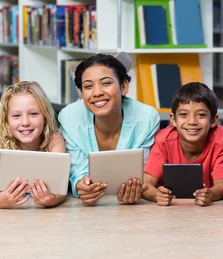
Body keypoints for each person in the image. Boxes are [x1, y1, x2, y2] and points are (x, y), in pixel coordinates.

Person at [59, 53, 160, 205]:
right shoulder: (69, 117)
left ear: (124, 87)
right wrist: (82, 185)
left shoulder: (146, 118)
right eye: (88, 86)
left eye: (106, 83)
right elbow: (78, 171)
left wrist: (134, 186)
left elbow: (141, 172)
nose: (97, 92)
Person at [143, 82, 223, 206]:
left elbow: (222, 184)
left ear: (213, 120)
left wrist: (209, 194)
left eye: (201, 115)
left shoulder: (221, 140)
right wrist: (157, 195)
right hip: (169, 211)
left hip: (207, 212)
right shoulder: (164, 140)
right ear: (173, 119)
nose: (192, 121)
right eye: (184, 114)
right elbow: (146, 183)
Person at [0, 81, 67, 208]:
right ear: (6, 120)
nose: (25, 122)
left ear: (45, 116)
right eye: (16, 115)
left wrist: (53, 199)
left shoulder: (55, 140)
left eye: (33, 114)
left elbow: (61, 187)